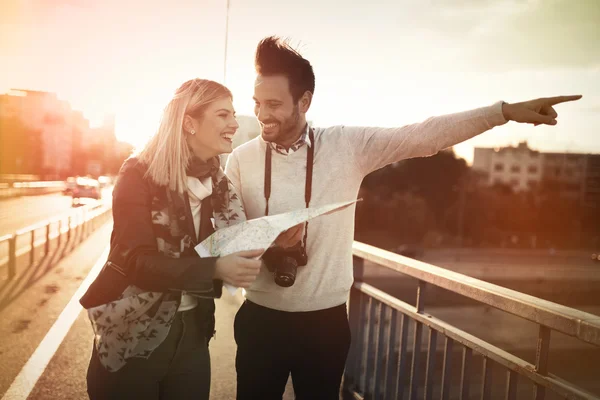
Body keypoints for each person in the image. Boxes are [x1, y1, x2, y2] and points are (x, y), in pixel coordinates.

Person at [224, 36, 582, 400]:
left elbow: (421, 137)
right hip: (261, 320)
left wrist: (502, 112)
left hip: (325, 325)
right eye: (256, 103)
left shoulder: (345, 146)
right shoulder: (240, 159)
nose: (262, 113)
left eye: (273, 104)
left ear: (304, 101)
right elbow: (226, 239)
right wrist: (268, 242)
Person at [79, 78, 265, 400]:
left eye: (234, 115)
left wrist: (279, 241)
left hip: (193, 333)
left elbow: (236, 239)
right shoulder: (138, 173)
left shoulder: (218, 183)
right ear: (189, 123)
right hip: (133, 334)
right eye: (223, 115)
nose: (234, 123)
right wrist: (215, 269)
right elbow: (138, 261)